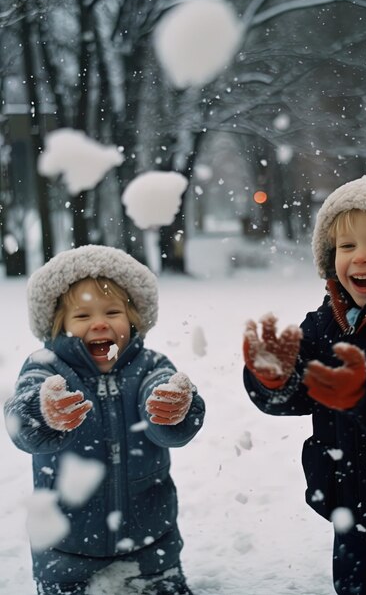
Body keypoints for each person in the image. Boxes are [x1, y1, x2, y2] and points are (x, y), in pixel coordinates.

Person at [243, 172, 366, 595]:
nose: (360, 258)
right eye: (346, 246)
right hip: (350, 508)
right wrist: (274, 378)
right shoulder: (326, 321)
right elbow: (296, 392)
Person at [4, 244, 205, 595]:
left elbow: (166, 413)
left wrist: (173, 410)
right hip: (66, 550)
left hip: (151, 545)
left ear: (133, 319)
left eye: (112, 311)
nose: (99, 323)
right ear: (59, 326)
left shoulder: (152, 367)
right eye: (82, 317)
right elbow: (20, 422)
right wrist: (43, 412)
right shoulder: (47, 369)